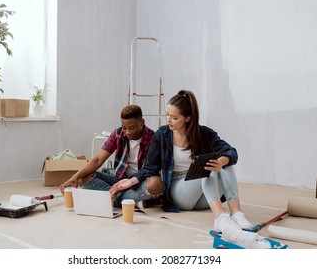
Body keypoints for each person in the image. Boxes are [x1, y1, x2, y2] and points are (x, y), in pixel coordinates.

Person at [111, 90, 272, 248]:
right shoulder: (162, 134)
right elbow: (150, 166)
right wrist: (132, 180)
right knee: (208, 167)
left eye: (174, 117)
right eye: (167, 115)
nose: (168, 120)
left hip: (205, 195)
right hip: (179, 191)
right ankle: (220, 218)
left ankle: (236, 214)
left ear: (187, 118)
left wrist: (222, 161)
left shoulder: (204, 134)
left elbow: (231, 152)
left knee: (223, 162)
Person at [60, 104, 164, 207]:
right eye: (124, 128)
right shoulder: (118, 134)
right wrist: (74, 177)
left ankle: (115, 198)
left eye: (132, 128)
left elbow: (150, 169)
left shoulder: (153, 139)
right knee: (85, 176)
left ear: (142, 122)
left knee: (155, 184)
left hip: (141, 182)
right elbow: (98, 160)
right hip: (120, 181)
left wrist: (131, 182)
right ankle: (130, 200)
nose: (127, 132)